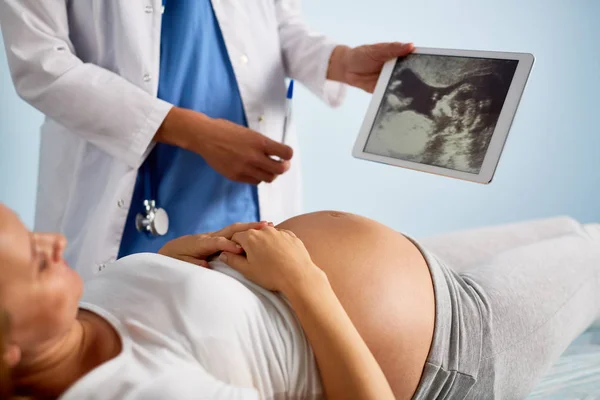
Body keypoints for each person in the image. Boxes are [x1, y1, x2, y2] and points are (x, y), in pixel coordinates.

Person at [0, 203, 599, 399]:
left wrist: (177, 259)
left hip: (413, 263)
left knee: (565, 226)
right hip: (461, 340)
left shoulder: (69, 323)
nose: (52, 241)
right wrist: (305, 283)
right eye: (32, 260)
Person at [0, 0, 415, 281]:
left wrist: (339, 61)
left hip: (241, 177)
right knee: (123, 327)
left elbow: (279, 26)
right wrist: (193, 131)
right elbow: (42, 63)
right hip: (122, 175)